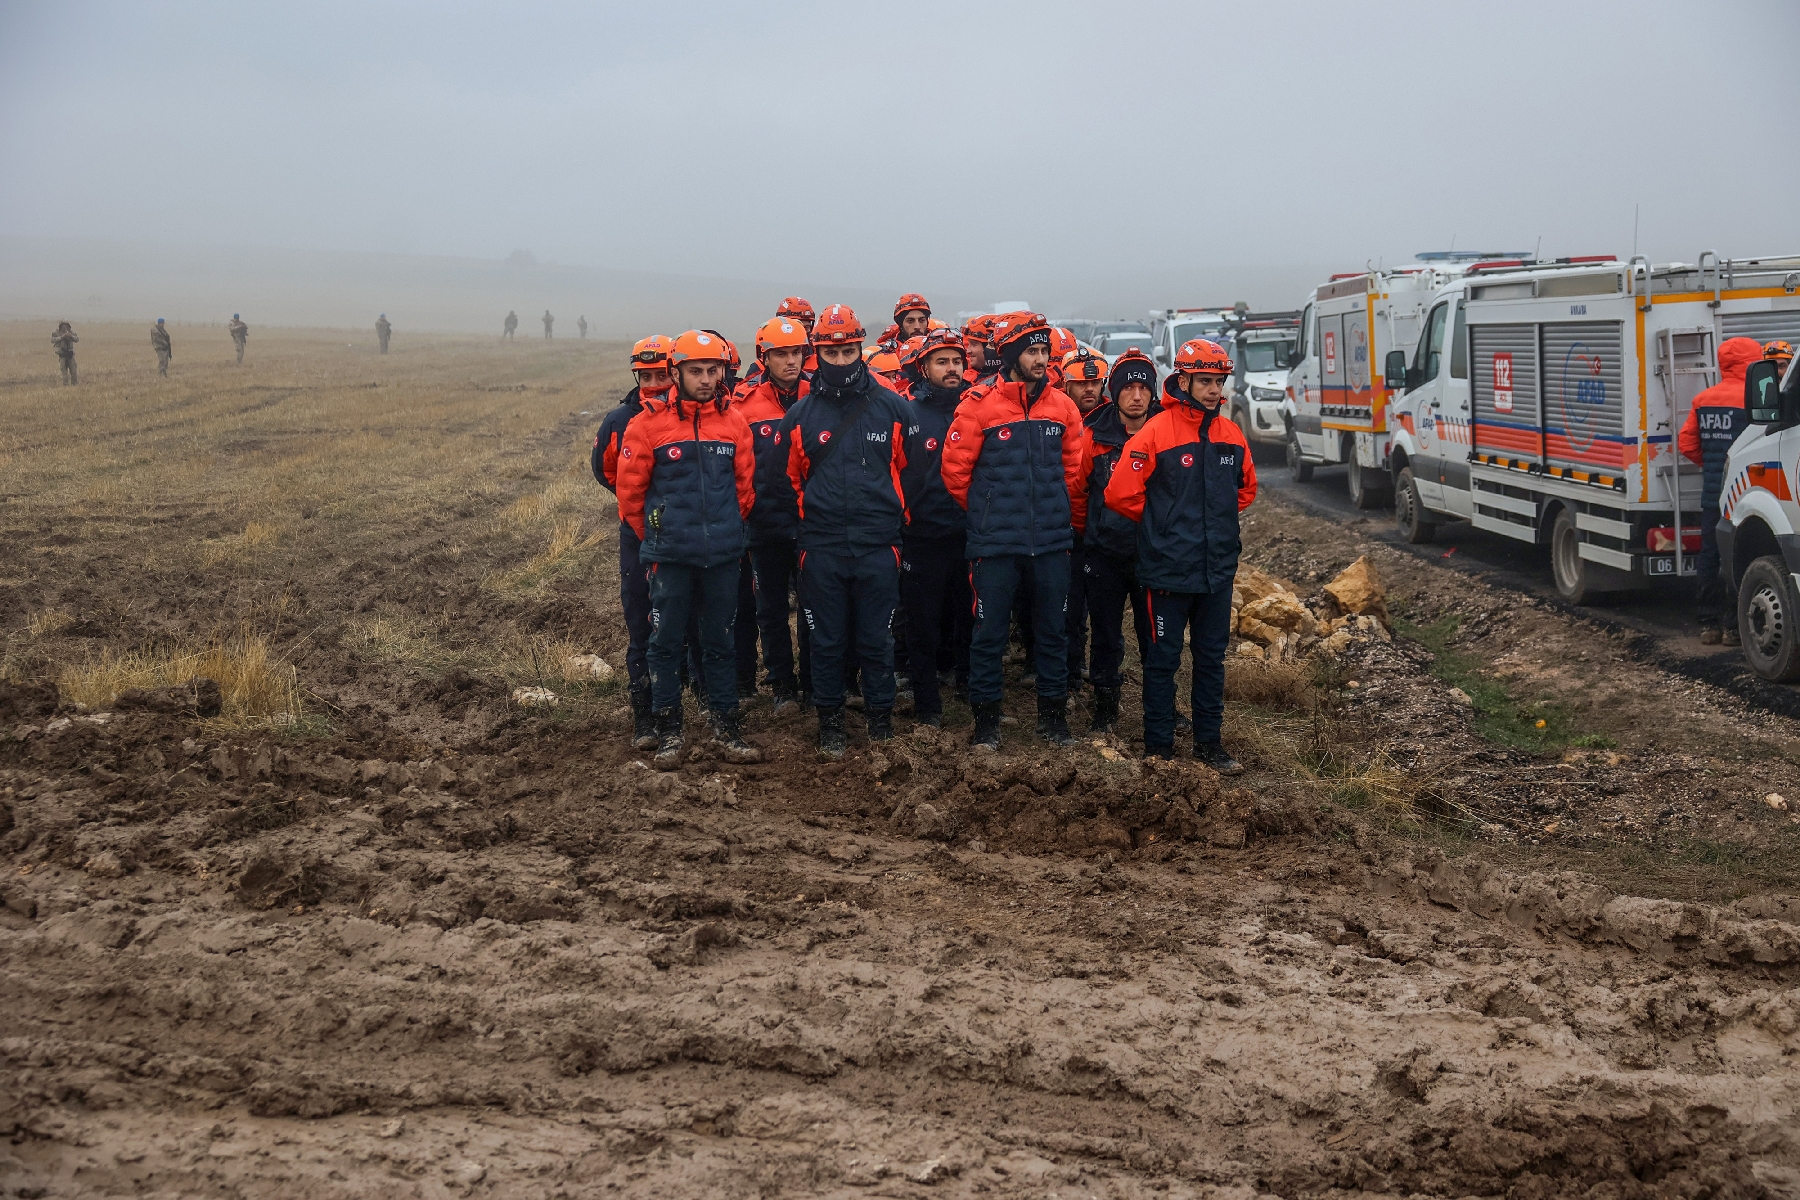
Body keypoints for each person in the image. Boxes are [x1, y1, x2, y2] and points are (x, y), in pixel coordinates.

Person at [1103, 339, 1256, 771]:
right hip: (1167, 572)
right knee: (1162, 661)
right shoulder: (1156, 431)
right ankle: (1159, 749)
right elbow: (1119, 494)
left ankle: (1210, 745)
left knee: (1211, 661)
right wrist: (1163, 525)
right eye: (1204, 381)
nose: (1212, 390)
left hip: (1216, 571)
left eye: (1218, 381)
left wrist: (1210, 520)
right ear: (1183, 380)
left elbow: (1246, 489)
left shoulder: (1231, 434)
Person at [940, 311, 1088, 750]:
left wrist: (1051, 513)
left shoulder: (1063, 407)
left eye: (1045, 350)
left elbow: (1072, 469)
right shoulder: (977, 405)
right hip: (994, 544)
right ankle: (986, 725)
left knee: (1052, 632)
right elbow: (954, 473)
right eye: (1032, 351)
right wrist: (989, 513)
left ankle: (1054, 721)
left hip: (1050, 542)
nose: (1042, 359)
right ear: (1009, 355)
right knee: (988, 634)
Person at [616, 329, 760, 768]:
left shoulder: (734, 422)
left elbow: (744, 490)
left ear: (722, 372)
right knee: (665, 643)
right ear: (676, 371)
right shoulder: (646, 425)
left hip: (721, 557)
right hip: (670, 558)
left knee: (719, 642)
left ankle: (726, 727)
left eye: (711, 370)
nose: (704, 378)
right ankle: (668, 732)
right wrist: (660, 538)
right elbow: (630, 496)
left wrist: (723, 533)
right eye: (695, 370)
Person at [783, 304, 913, 760]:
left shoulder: (895, 407)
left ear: (862, 349)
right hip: (821, 548)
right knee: (827, 640)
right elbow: (790, 480)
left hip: (879, 545)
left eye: (849, 352)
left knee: (877, 641)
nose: (840, 362)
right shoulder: (799, 415)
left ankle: (880, 725)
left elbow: (907, 471)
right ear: (817, 353)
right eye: (831, 353)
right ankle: (830, 724)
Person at [593, 334, 675, 748]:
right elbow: (606, 471)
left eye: (661, 374)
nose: (654, 382)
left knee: (690, 620)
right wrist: (638, 508)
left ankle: (690, 701)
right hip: (637, 536)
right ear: (635, 375)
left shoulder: (692, 416)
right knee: (641, 620)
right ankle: (645, 716)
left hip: (683, 536)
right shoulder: (618, 421)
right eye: (646, 376)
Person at [1079, 347, 1159, 733]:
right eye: (1128, 387)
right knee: (1106, 636)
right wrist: (1090, 535)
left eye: (1144, 387)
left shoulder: (1167, 431)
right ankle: (1104, 712)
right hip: (1104, 553)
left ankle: (1159, 711)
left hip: (1154, 554)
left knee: (1157, 639)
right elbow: (1077, 491)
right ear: (1115, 391)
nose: (1137, 395)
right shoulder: (1093, 435)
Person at [737, 316, 812, 715]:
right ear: (763, 358)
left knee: (815, 606)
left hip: (810, 524)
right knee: (770, 609)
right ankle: (782, 683)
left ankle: (816, 683)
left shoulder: (819, 397)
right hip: (763, 525)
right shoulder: (743, 404)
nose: (789, 361)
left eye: (796, 352)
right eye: (780, 354)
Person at [898, 328, 973, 726]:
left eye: (957, 361)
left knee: (972, 618)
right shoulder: (907, 412)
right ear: (923, 367)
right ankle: (927, 705)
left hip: (969, 532)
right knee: (923, 624)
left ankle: (970, 687)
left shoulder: (975, 408)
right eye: (942, 361)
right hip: (922, 535)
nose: (951, 369)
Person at [1679, 336, 1764, 646]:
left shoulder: (1704, 399)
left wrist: (1715, 464)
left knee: (1709, 557)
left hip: (1713, 491)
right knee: (1740, 556)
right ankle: (1732, 627)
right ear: (1753, 361)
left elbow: (1686, 443)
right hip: (1747, 493)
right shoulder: (1759, 396)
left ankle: (1707, 624)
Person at [1058, 344, 1109, 690]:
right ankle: (1070, 678)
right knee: (1067, 611)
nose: (1089, 389)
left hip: (1104, 531)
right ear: (1067, 385)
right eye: (1081, 384)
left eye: (1095, 383)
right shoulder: (1054, 416)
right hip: (1064, 530)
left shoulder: (1115, 423)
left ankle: (1104, 679)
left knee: (1104, 615)